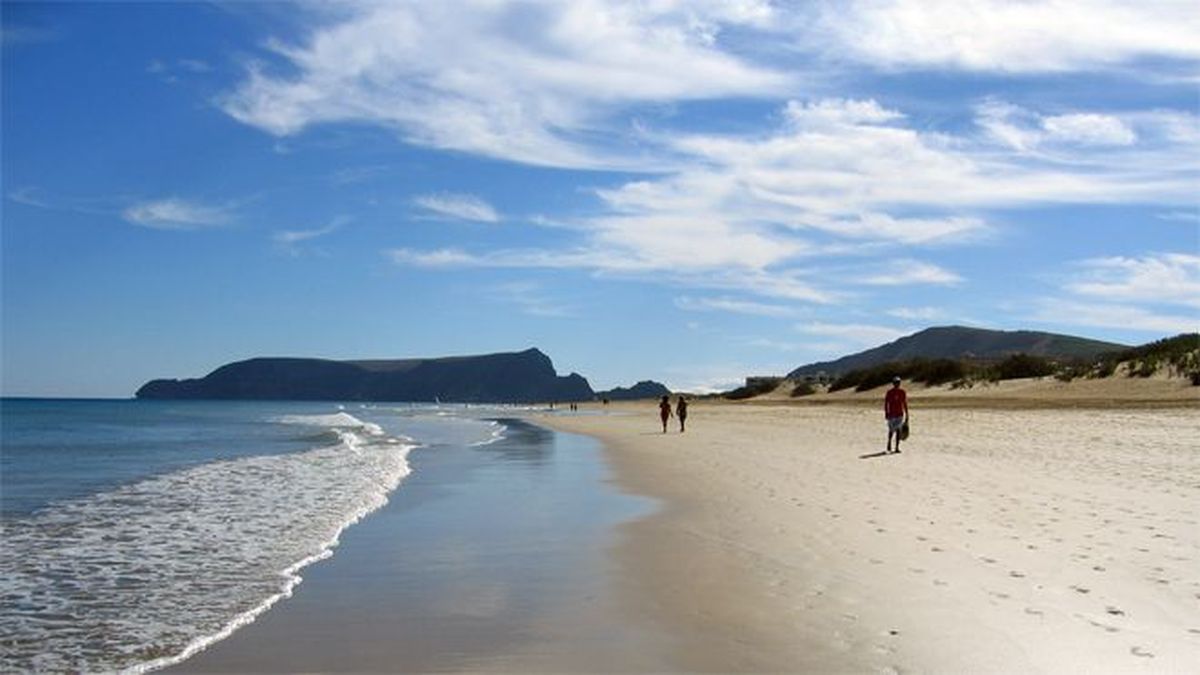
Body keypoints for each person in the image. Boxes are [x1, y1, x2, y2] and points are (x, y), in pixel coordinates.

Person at [884, 376, 908, 453]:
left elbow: (904, 403)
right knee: (891, 430)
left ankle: (897, 447)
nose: (897, 384)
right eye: (896, 382)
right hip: (891, 414)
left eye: (898, 382)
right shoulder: (889, 392)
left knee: (898, 430)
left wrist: (907, 413)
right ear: (893, 383)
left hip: (899, 414)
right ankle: (889, 442)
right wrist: (886, 413)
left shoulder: (902, 392)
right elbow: (886, 403)